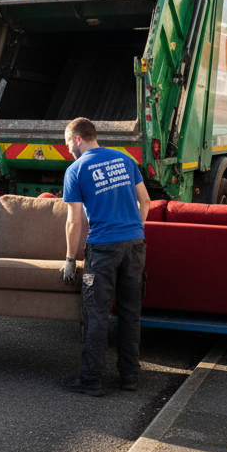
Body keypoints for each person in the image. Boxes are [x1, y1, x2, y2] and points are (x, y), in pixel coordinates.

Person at [60, 117, 151, 396]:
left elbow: (75, 221)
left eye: (67, 144)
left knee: (97, 314)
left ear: (77, 139)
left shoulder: (76, 169)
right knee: (130, 312)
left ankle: (92, 381)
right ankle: (129, 378)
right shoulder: (125, 160)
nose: (68, 151)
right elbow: (145, 201)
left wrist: (69, 258)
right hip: (135, 245)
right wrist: (135, 230)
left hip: (102, 249)